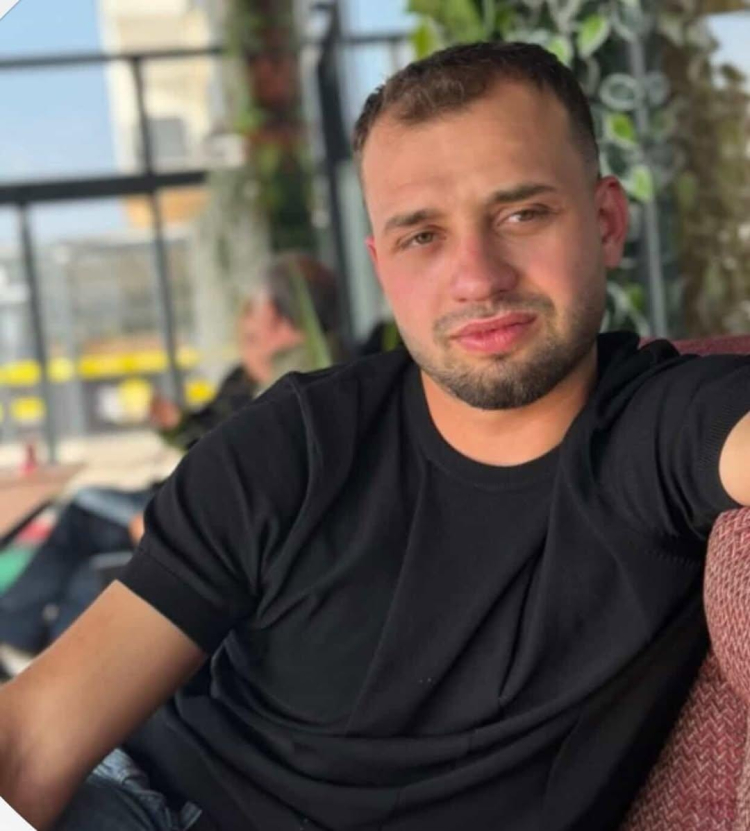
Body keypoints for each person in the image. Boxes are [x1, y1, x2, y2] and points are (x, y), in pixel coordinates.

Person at [1, 41, 750, 831]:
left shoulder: (665, 427)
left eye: (521, 214)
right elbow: (31, 743)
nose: (478, 277)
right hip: (144, 801)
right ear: (383, 265)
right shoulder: (295, 442)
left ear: (605, 223)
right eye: (421, 236)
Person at [0, 251, 339, 668]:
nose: (246, 322)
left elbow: (252, 477)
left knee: (86, 522)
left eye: (254, 310)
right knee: (87, 543)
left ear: (273, 314)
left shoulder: (296, 386)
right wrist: (175, 424)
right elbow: (212, 441)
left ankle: (27, 648)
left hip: (204, 521)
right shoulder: (268, 377)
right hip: (194, 508)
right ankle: (31, 653)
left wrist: (174, 520)